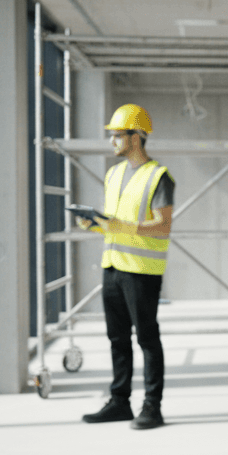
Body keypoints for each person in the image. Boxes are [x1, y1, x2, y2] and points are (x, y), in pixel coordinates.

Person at [78, 103, 176, 430]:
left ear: (136, 137)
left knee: (147, 339)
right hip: (113, 266)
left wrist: (121, 227)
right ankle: (120, 402)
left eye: (117, 135)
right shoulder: (114, 174)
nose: (112, 142)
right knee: (117, 339)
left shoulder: (159, 177)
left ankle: (153, 407)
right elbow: (113, 223)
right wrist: (93, 225)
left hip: (142, 272)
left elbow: (163, 226)